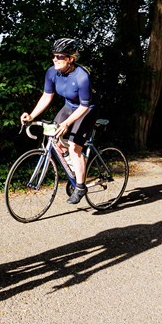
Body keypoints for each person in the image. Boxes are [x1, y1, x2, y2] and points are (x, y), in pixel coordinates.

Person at [20, 38, 98, 204]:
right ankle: (77, 167)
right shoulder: (52, 72)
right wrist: (32, 116)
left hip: (86, 110)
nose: (55, 59)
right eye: (54, 55)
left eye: (60, 56)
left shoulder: (82, 76)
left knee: (74, 147)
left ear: (70, 59)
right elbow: (47, 96)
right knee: (55, 138)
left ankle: (80, 185)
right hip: (69, 107)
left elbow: (84, 107)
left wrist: (67, 123)